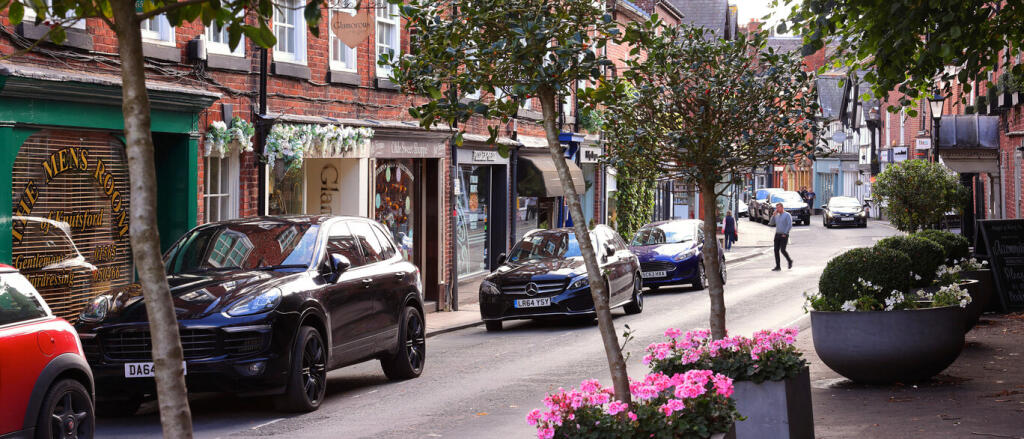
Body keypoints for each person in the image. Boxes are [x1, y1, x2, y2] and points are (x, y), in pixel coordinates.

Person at [768, 203, 793, 271]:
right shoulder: (776, 215)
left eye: (778, 208)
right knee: (776, 250)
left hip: (784, 235)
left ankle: (789, 261)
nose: (777, 209)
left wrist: (785, 233)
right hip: (777, 234)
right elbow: (771, 223)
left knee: (782, 250)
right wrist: (773, 215)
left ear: (782, 207)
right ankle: (778, 266)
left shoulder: (787, 215)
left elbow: (789, 225)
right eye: (776, 208)